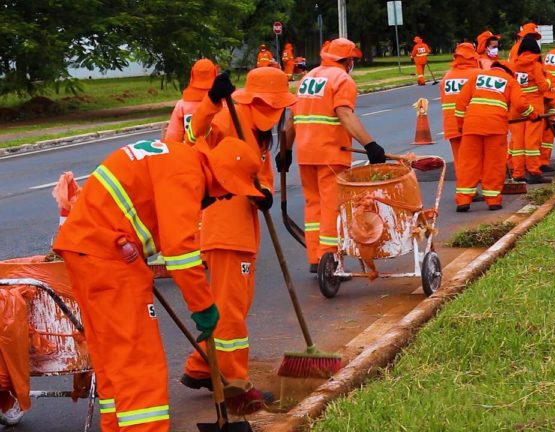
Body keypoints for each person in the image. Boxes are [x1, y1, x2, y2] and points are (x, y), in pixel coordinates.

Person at [52, 132, 268, 430]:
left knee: (114, 361)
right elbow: (180, 251)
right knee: (141, 363)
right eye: (226, 192)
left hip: (92, 251)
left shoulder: (177, 157)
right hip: (108, 257)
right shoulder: (187, 174)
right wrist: (203, 306)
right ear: (221, 177)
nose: (222, 198)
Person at [181, 69, 295, 405]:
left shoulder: (259, 134)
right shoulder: (230, 117)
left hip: (242, 228)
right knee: (231, 312)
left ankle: (201, 366)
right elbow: (193, 135)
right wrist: (212, 100)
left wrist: (265, 192)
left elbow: (260, 174)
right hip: (226, 228)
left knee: (231, 305)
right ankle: (235, 383)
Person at [280, 38, 386, 273]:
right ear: (347, 60)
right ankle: (330, 259)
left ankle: (316, 257)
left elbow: (292, 120)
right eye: (352, 60)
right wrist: (370, 144)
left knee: (313, 205)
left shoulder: (308, 78)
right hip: (330, 153)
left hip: (305, 153)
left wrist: (285, 151)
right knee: (330, 207)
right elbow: (345, 115)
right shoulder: (342, 80)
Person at [453, 60, 539, 212]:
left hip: (472, 126)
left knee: (468, 163)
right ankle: (493, 200)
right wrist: (533, 114)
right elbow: (520, 104)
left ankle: (463, 200)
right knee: (494, 163)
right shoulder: (510, 81)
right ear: (508, 72)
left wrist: (461, 125)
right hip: (496, 127)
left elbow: (460, 103)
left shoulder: (478, 77)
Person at [509, 36, 552, 184]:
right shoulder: (535, 66)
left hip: (516, 107)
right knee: (532, 142)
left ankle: (518, 173)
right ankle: (534, 172)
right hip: (533, 108)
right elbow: (543, 87)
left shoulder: (513, 65)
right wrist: (548, 81)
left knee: (517, 143)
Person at [440, 42, 480, 167]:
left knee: (459, 160)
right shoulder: (478, 74)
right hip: (470, 123)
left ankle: (463, 184)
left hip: (451, 124)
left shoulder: (447, 76)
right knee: (474, 157)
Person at [164, 59, 217, 142]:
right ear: (215, 74)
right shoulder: (223, 105)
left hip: (191, 153)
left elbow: (172, 139)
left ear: (192, 74)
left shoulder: (182, 106)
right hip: (216, 153)